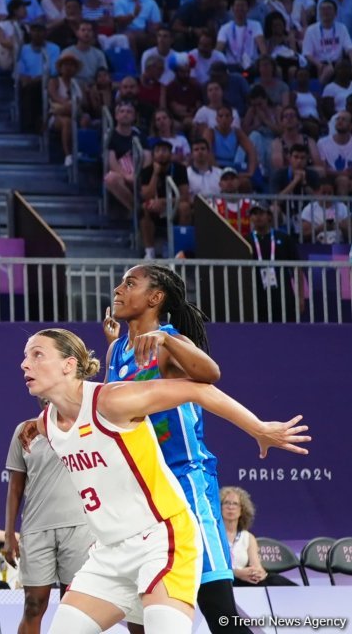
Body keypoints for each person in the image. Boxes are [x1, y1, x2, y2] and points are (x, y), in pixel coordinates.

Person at [20, 329, 308, 634]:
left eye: (37, 355)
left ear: (68, 365)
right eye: (25, 356)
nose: (25, 364)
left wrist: (259, 428)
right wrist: (33, 426)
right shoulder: (47, 422)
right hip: (109, 552)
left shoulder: (112, 400)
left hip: (162, 540)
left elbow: (197, 390)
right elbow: (64, 426)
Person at [102, 263, 243, 630]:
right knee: (140, 618)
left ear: (155, 297)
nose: (118, 289)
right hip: (144, 493)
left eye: (129, 283)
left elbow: (210, 374)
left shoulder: (170, 342)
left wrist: (167, 341)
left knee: (219, 611)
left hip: (185, 482)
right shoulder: (116, 351)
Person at [5, 416, 93, 634]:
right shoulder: (24, 431)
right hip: (36, 528)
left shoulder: (87, 423)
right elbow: (15, 488)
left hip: (79, 528)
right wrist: (9, 535)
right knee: (33, 605)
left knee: (73, 608)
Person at [219, 486, 293, 587]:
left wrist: (258, 573)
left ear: (242, 510)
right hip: (221, 579)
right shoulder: (212, 535)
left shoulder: (248, 537)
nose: (231, 507)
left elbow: (256, 565)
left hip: (243, 578)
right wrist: (237, 573)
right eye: (227, 503)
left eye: (235, 504)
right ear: (220, 508)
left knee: (274, 580)